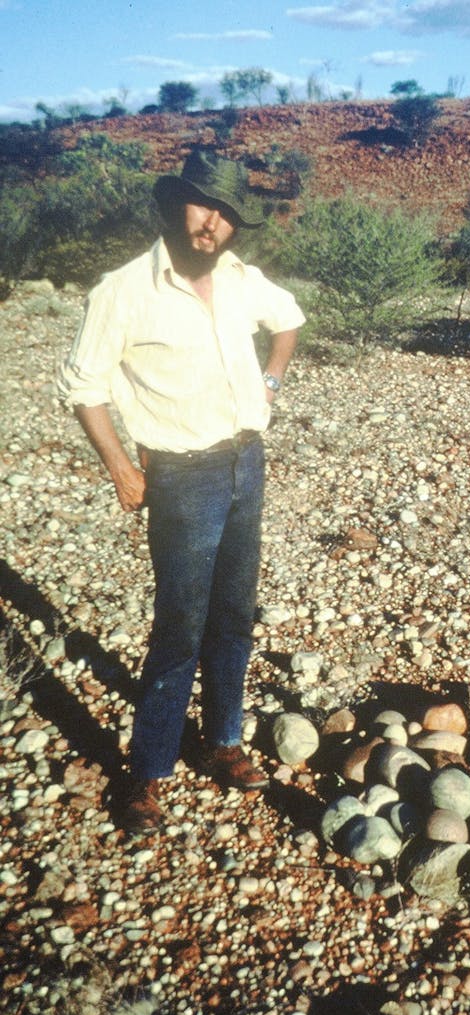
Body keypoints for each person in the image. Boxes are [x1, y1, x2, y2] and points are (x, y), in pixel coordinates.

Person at [59, 149, 305, 836]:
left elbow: (288, 321)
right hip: (180, 474)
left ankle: (223, 741)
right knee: (179, 630)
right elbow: (83, 385)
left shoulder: (236, 276)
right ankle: (148, 773)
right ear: (174, 205)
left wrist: (271, 382)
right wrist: (121, 468)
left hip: (243, 465)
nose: (213, 224)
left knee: (234, 616)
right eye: (203, 205)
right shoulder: (123, 290)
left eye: (227, 212)